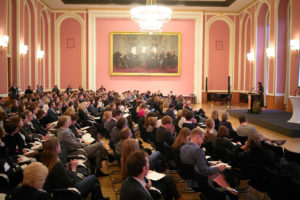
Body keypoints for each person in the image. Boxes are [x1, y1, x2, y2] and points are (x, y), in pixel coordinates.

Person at [42, 137, 109, 200]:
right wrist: (73, 168)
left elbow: (62, 178)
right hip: (71, 192)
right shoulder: (57, 164)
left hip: (63, 191)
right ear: (56, 148)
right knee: (93, 177)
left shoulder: (48, 161)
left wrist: (67, 170)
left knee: (95, 186)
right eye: (59, 145)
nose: (61, 147)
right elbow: (71, 183)